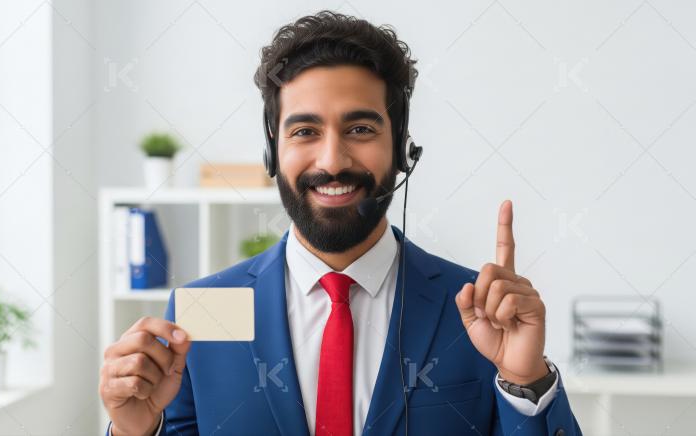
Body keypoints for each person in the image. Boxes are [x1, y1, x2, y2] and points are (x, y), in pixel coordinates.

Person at [100, 11, 582, 436]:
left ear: (402, 149)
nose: (332, 161)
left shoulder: (475, 311)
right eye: (305, 131)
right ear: (273, 150)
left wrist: (527, 382)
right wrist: (134, 432)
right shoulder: (211, 309)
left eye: (360, 129)